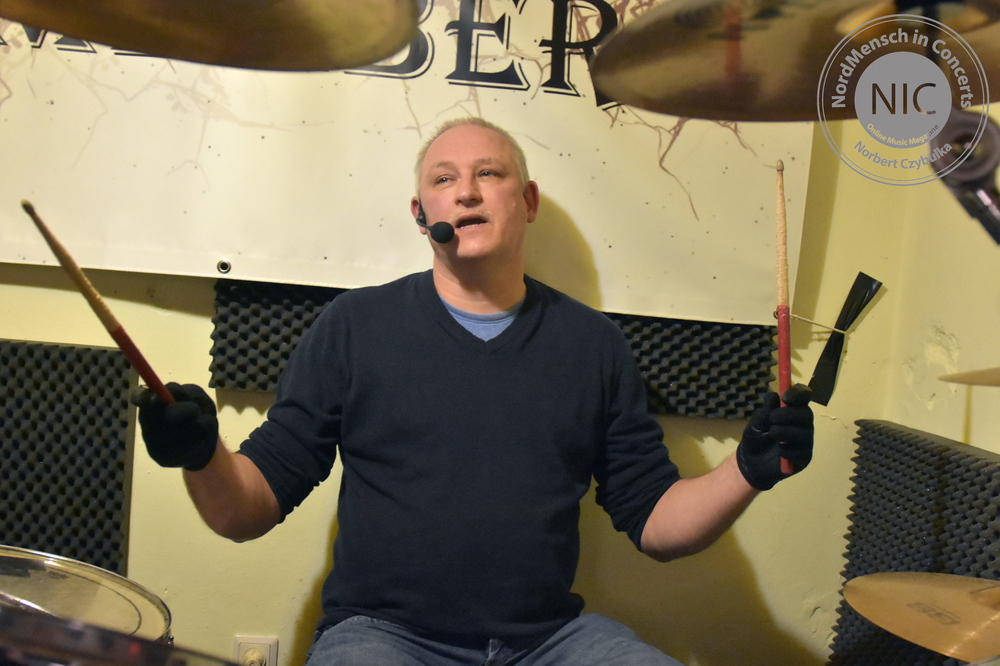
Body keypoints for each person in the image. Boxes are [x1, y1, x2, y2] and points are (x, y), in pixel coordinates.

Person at [132, 117, 813, 665]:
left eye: (489, 173)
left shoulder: (593, 345)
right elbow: (247, 510)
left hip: (550, 641)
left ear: (528, 201)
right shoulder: (354, 327)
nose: (466, 193)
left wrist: (749, 469)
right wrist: (200, 454)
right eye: (444, 179)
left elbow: (657, 524)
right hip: (382, 636)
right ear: (419, 212)